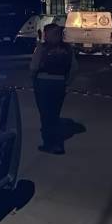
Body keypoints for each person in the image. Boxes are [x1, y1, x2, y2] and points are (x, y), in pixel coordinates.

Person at [30, 23, 78, 154]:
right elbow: (74, 68)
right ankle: (56, 143)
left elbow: (34, 66)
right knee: (54, 114)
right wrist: (67, 82)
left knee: (45, 115)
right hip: (59, 83)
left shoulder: (42, 47)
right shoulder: (68, 48)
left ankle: (50, 143)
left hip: (43, 82)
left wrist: (33, 78)